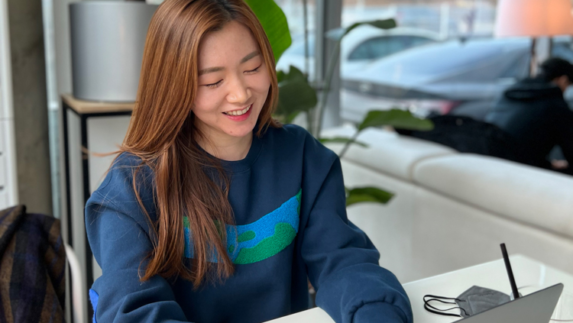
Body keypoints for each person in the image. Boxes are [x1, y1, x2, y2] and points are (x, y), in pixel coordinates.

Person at [84, 1, 413, 322]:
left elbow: (343, 262)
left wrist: (376, 311)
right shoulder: (130, 188)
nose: (240, 94)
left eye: (252, 68)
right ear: (173, 86)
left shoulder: (304, 158)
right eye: (213, 81)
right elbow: (133, 305)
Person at [485, 57, 573, 174]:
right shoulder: (554, 104)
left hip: (487, 159)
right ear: (562, 80)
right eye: (568, 86)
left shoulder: (512, 92)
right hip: (518, 170)